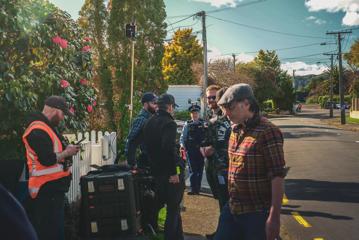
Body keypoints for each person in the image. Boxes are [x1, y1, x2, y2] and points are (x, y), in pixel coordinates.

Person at [215, 84, 287, 240]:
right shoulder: (235, 130)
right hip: (233, 208)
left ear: (247, 104)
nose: (226, 113)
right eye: (224, 108)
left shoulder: (268, 131)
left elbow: (277, 176)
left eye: (230, 107)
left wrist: (274, 218)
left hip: (257, 213)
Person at [22, 96, 80, 240]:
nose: (62, 118)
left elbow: (53, 151)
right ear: (55, 110)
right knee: (50, 232)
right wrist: (67, 152)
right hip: (46, 191)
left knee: (55, 230)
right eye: (62, 114)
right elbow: (47, 159)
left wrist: (66, 149)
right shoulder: (37, 129)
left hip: (53, 190)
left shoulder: (47, 127)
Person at [143, 94, 185, 240]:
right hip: (169, 172)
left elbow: (147, 148)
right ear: (170, 106)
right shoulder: (169, 123)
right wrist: (174, 173)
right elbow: (168, 149)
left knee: (167, 207)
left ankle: (178, 236)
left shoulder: (149, 122)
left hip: (156, 171)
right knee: (173, 209)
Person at [202, 87, 232, 240]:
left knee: (226, 202)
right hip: (215, 166)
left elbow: (211, 146)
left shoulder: (225, 117)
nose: (211, 101)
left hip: (224, 167)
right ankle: (223, 231)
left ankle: (225, 234)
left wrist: (210, 148)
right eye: (209, 98)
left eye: (214, 98)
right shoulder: (210, 115)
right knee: (223, 201)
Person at [125, 92, 158, 168]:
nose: (156, 105)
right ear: (146, 104)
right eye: (153, 103)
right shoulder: (141, 119)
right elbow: (131, 141)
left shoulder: (152, 118)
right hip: (146, 163)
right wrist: (132, 163)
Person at [179, 104, 205, 195]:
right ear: (191, 114)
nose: (195, 115)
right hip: (190, 151)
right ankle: (193, 188)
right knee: (192, 170)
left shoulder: (203, 123)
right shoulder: (187, 124)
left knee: (200, 170)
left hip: (201, 151)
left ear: (199, 113)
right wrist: (182, 146)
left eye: (196, 113)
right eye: (193, 113)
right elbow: (182, 137)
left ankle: (198, 188)